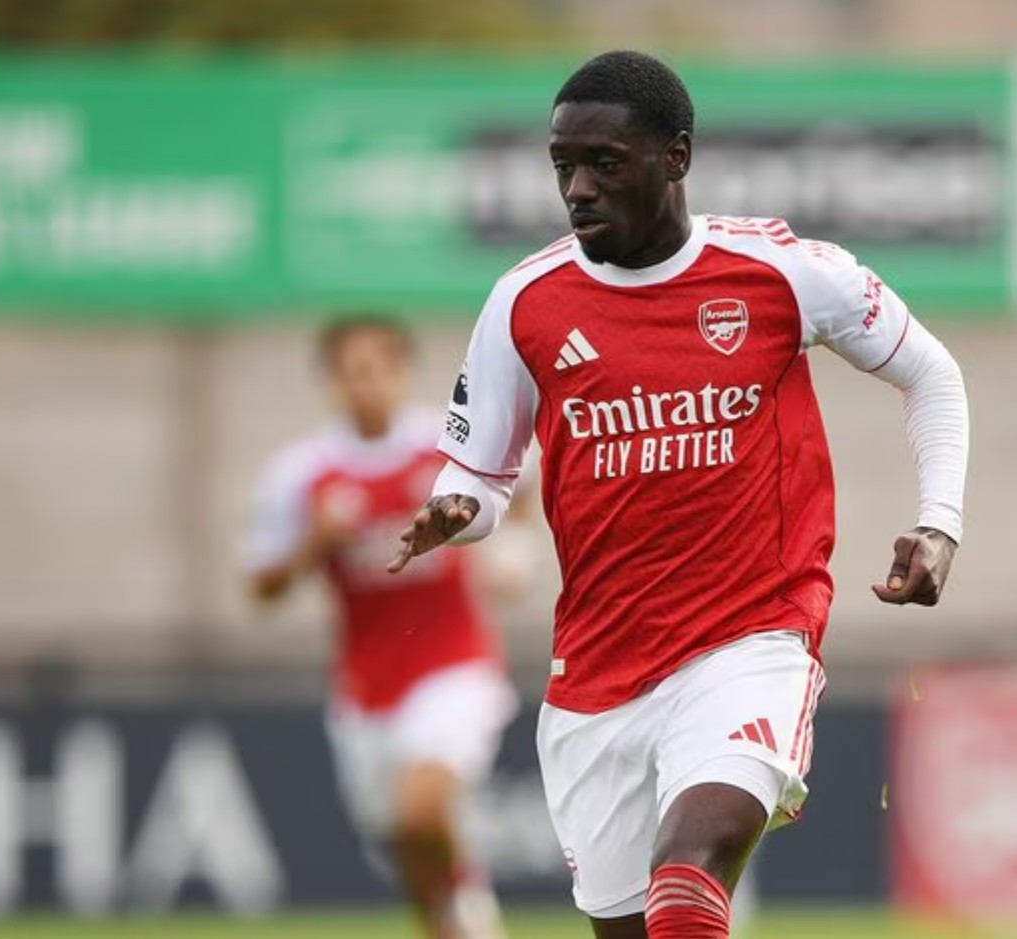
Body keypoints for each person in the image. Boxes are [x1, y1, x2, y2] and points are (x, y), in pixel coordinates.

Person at [390, 51, 970, 939]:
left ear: (676, 157)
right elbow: (481, 475)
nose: (577, 189)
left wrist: (939, 523)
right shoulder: (523, 303)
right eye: (562, 167)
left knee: (687, 871)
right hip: (597, 673)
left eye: (604, 164)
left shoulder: (780, 272)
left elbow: (930, 373)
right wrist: (458, 509)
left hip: (751, 637)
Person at [245, 314, 517, 939]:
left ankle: (470, 900)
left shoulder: (444, 449)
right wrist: (314, 543)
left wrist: (512, 554)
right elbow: (261, 586)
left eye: (378, 369)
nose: (366, 385)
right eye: (351, 373)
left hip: (453, 665)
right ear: (331, 382)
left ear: (402, 372)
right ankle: (457, 917)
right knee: (408, 850)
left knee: (422, 811)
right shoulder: (302, 473)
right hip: (365, 691)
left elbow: (520, 484)